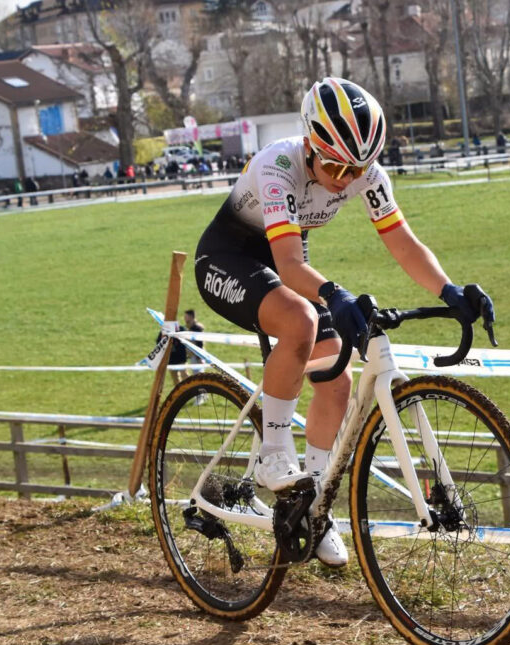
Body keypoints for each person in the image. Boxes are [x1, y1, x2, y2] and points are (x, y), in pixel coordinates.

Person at [192, 77, 494, 567]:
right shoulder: (279, 165)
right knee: (300, 319)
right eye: (334, 165)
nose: (344, 178)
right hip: (228, 260)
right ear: (310, 143)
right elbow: (289, 265)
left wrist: (449, 290)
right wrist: (335, 293)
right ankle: (273, 454)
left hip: (283, 262)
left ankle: (311, 508)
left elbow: (402, 242)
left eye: (356, 168)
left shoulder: (363, 174)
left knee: (337, 379)